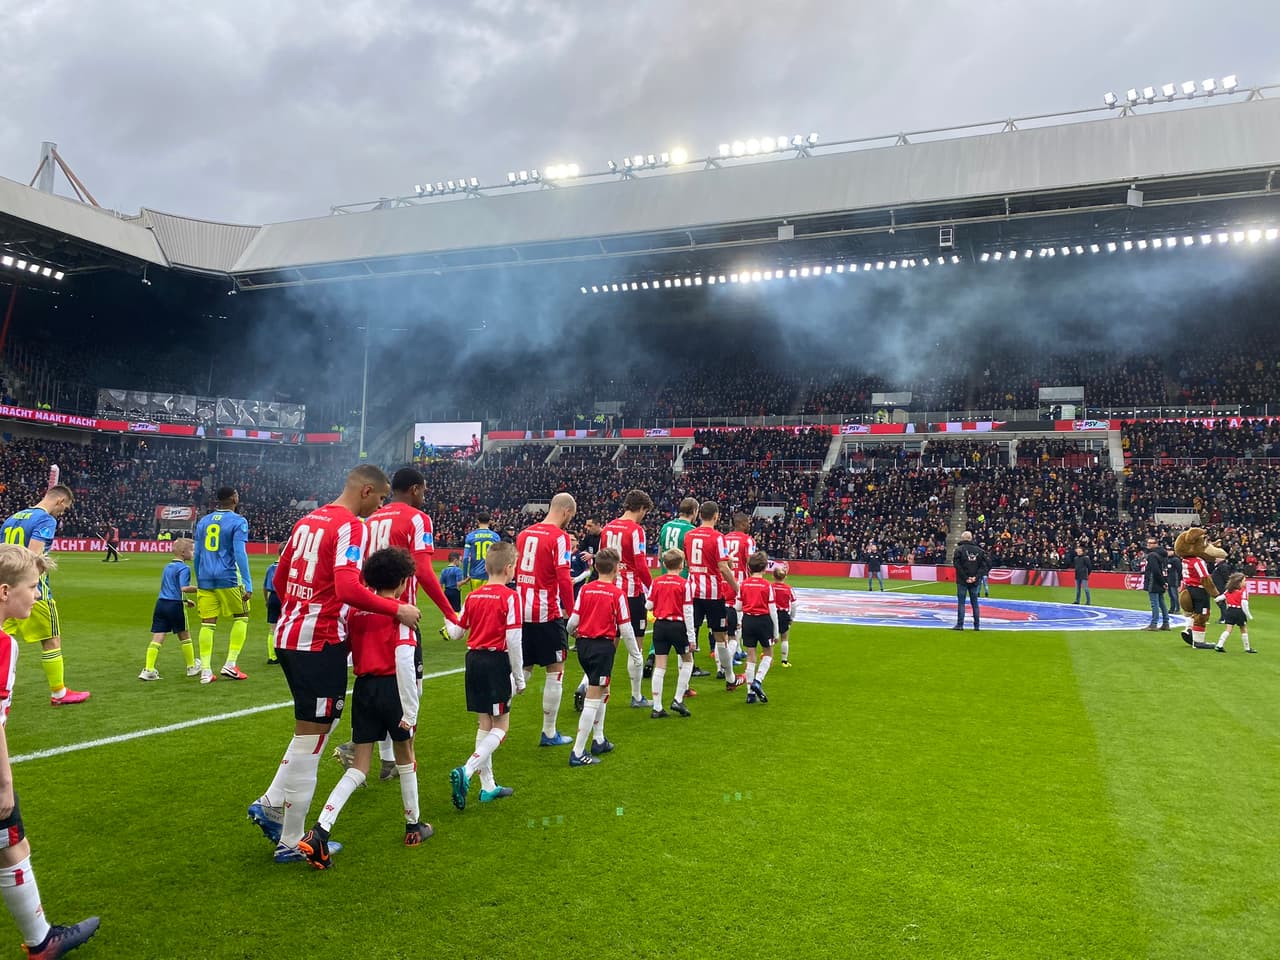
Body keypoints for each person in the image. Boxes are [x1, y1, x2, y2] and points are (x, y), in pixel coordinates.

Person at [246, 465, 422, 864]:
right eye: (379, 499)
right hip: (319, 640)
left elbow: (280, 580)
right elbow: (346, 587)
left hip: (289, 636)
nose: (379, 507)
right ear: (365, 491)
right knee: (315, 738)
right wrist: (396, 609)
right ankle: (291, 839)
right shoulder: (350, 526)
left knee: (312, 728)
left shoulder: (307, 520)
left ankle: (272, 801)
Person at [297, 547, 432, 869]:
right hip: (393, 689)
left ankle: (320, 830)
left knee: (359, 766)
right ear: (402, 581)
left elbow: (347, 652)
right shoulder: (402, 612)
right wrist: (410, 712)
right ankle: (413, 827)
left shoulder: (356, 612)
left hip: (364, 689)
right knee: (406, 756)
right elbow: (403, 661)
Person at [0, 545, 101, 957]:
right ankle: (42, 943)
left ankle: (41, 940)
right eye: (33, 586)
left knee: (10, 847)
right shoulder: (5, 645)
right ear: (5, 591)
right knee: (10, 839)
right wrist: (5, 784)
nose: (38, 595)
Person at [333, 467, 460, 780]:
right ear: (415, 489)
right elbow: (426, 573)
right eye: (424, 491)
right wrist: (450, 613)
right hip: (401, 613)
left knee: (377, 682)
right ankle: (397, 760)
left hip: (369, 610)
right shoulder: (417, 519)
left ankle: (384, 758)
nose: (424, 496)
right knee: (408, 691)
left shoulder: (370, 518)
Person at [446, 541, 524, 809]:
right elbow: (513, 640)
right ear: (509, 568)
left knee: (484, 724)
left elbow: (456, 633)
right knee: (502, 726)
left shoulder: (473, 596)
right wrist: (520, 677)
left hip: (473, 660)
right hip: (495, 661)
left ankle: (487, 786)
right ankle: (467, 770)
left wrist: (447, 615)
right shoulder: (510, 596)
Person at [0, 485, 90, 706]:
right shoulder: (46, 520)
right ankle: (59, 693)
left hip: (7, 588)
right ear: (59, 501)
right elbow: (33, 555)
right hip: (32, 589)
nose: (63, 512)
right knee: (51, 639)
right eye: (65, 508)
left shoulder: (13, 518)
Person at [514, 492, 577, 747]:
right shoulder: (559, 538)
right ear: (566, 512)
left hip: (522, 611)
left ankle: (493, 713)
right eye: (570, 516)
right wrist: (573, 612)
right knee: (556, 670)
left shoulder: (524, 534)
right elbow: (563, 579)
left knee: (524, 669)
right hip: (546, 613)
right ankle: (549, 733)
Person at [581, 489, 653, 709]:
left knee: (609, 642)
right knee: (636, 645)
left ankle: (586, 683)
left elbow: (602, 560)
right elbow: (640, 564)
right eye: (644, 512)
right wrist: (652, 588)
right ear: (641, 509)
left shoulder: (609, 527)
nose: (644, 516)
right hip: (630, 593)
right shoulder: (636, 530)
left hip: (609, 590)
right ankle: (637, 695)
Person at [565, 549, 634, 767]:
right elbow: (625, 628)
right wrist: (636, 654)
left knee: (603, 690)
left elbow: (572, 622)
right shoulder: (617, 593)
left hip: (584, 646)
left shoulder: (585, 589)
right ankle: (577, 752)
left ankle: (599, 739)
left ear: (595, 567)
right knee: (595, 695)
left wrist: (573, 632)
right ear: (616, 569)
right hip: (602, 647)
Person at [193, 487, 252, 683]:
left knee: (207, 623)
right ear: (234, 498)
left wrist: (199, 576)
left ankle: (206, 671)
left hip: (205, 578)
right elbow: (240, 553)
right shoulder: (238, 521)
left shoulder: (203, 521)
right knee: (242, 616)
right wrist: (248, 582)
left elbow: (198, 554)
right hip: (228, 578)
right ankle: (230, 664)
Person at [685, 502, 740, 688]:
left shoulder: (689, 535)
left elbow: (687, 561)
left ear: (700, 515)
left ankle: (684, 686)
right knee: (720, 636)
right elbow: (723, 567)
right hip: (713, 593)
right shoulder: (717, 537)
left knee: (690, 634)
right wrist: (738, 588)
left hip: (693, 591)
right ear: (716, 515)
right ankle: (730, 678)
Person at [653, 497, 704, 677]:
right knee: (683, 619)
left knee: (662, 614)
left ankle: (654, 653)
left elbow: (659, 551)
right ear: (695, 511)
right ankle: (688, 661)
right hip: (681, 577)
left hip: (664, 574)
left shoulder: (666, 526)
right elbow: (692, 558)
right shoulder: (692, 531)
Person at [139, 538, 199, 680]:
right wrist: (201, 589)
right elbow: (183, 587)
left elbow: (169, 587)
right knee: (184, 636)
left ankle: (148, 669)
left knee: (158, 636)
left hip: (161, 604)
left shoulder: (168, 566)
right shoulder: (184, 568)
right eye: (192, 550)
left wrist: (185, 600)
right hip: (174, 606)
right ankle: (191, 667)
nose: (194, 553)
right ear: (184, 552)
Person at [646, 549, 695, 718]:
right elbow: (688, 611)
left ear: (664, 564)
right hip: (678, 626)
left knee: (660, 666)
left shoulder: (657, 581)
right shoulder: (684, 584)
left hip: (660, 626)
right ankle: (678, 698)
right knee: (688, 661)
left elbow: (648, 605)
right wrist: (692, 637)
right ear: (681, 565)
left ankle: (657, 707)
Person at [722, 513, 756, 669]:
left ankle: (738, 649)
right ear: (741, 524)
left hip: (725, 580)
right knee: (738, 619)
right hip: (740, 583)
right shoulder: (747, 540)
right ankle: (733, 652)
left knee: (728, 618)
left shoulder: (724, 538)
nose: (749, 524)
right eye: (747, 522)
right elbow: (751, 562)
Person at [952, 532, 988, 631]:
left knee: (961, 602)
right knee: (975, 603)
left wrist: (965, 577)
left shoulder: (959, 550)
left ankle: (960, 625)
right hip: (975, 581)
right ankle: (976, 625)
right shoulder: (980, 551)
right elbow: (984, 566)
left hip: (962, 580)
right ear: (971, 538)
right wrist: (975, 577)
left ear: (963, 538)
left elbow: (957, 565)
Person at [1211, 572, 1256, 654]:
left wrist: (1217, 600)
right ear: (1239, 582)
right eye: (1244, 581)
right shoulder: (1243, 591)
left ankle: (1219, 645)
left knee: (1228, 629)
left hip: (1230, 611)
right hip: (1239, 611)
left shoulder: (1229, 590)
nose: (1245, 582)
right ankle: (1247, 648)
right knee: (1243, 629)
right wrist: (1249, 615)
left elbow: (1219, 598)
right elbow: (1244, 604)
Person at [462, 513, 502, 597]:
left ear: (477, 521)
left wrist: (465, 575)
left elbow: (465, 558)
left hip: (475, 574)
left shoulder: (471, 536)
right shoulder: (495, 537)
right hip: (490, 575)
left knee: (476, 600)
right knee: (489, 601)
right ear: (489, 522)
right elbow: (499, 557)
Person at [1142, 536, 1170, 632]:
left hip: (1153, 581)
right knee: (1161, 602)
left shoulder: (1152, 555)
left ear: (1156, 544)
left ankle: (1154, 624)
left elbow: (1155, 570)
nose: (1148, 545)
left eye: (1151, 543)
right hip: (1161, 580)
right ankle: (1166, 622)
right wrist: (1164, 582)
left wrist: (1162, 582)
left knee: (1154, 603)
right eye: (1148, 543)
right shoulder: (1163, 554)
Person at [772, 564, 798, 666]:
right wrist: (792, 617)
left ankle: (768, 657)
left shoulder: (770, 587)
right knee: (784, 638)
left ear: (773, 576)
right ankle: (784, 660)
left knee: (771, 637)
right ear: (785, 577)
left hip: (772, 613)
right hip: (783, 614)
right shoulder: (788, 588)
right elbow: (794, 604)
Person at [263, 546, 283, 665]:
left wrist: (266, 600)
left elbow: (265, 587)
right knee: (286, 626)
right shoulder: (289, 565)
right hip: (284, 597)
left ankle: (272, 656)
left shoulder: (270, 567)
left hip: (273, 597)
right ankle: (284, 653)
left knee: (273, 628)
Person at [1211, 557, 1233, 624]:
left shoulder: (1222, 566)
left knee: (1221, 603)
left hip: (1220, 587)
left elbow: (1226, 577)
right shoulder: (1219, 566)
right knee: (1220, 603)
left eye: (1217, 558)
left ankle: (1224, 618)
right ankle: (1224, 617)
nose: (1215, 559)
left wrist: (1227, 587)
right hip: (1218, 587)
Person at [1165, 538, 1183, 614]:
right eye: (1167, 551)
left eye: (1169, 551)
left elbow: (1179, 570)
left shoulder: (1176, 560)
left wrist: (1179, 580)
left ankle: (1177, 609)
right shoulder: (1167, 559)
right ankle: (1172, 608)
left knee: (1175, 595)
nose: (1168, 552)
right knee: (1170, 595)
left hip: (1174, 579)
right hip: (1169, 579)